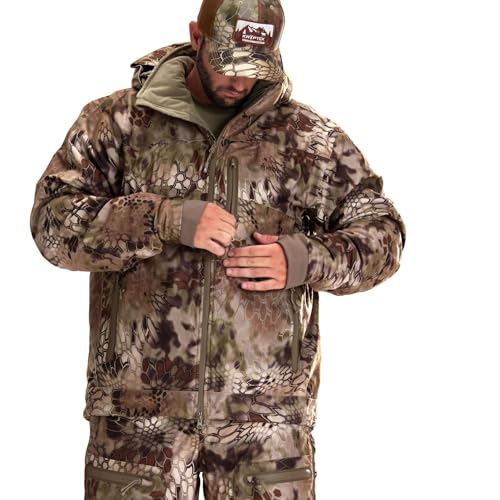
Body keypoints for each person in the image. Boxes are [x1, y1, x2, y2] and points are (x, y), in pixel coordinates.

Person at [29, 0, 407, 498]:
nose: (239, 82)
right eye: (228, 64)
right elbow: (51, 222)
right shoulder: (119, 122)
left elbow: (384, 234)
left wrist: (301, 259)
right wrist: (160, 219)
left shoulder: (307, 140)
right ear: (197, 37)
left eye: (255, 68)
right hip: (138, 421)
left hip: (265, 424)